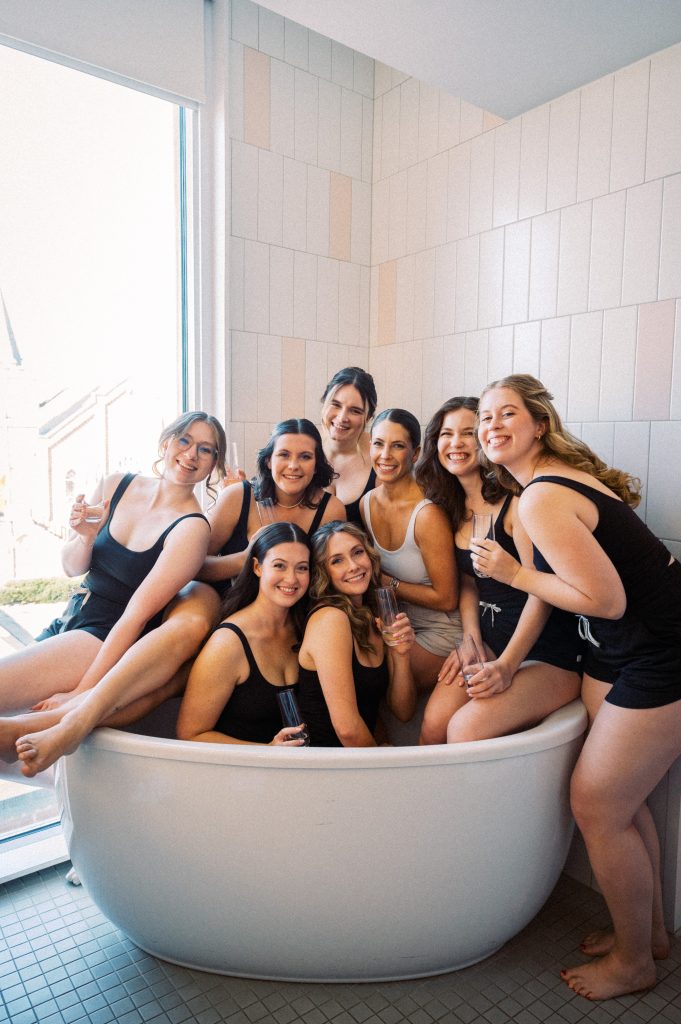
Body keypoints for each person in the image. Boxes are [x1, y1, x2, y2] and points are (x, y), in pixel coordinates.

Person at [471, 373, 681, 1001]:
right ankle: (649, 935)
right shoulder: (536, 489)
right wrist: (510, 653)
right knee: (624, 802)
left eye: (507, 413)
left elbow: (606, 600)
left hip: (662, 650)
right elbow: (563, 585)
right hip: (619, 648)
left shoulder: (542, 496)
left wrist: (511, 573)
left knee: (596, 805)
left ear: (540, 424)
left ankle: (634, 963)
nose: (491, 426)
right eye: (484, 418)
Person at [0, 412, 227, 776]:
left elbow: (137, 615)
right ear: (166, 442)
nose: (191, 454)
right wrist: (85, 537)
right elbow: (71, 567)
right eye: (185, 440)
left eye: (205, 449)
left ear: (214, 463)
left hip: (104, 635)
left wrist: (82, 693)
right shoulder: (115, 485)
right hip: (70, 617)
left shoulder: (191, 529)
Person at [415, 397, 581, 745]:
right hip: (491, 643)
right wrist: (471, 639)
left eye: (467, 433)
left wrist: (506, 665)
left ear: (485, 439)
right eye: (446, 434)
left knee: (464, 731)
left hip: (545, 653)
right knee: (433, 726)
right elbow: (469, 582)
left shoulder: (516, 503)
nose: (456, 443)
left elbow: (541, 590)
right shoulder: (450, 507)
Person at [176, 523, 312, 746]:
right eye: (279, 565)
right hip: (240, 767)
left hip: (300, 764)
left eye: (302, 568)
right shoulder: (228, 642)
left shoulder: (307, 628)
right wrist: (268, 750)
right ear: (257, 567)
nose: (291, 579)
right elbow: (190, 734)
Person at [360, 408, 460, 689]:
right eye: (378, 444)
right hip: (397, 623)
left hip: (440, 627)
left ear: (415, 454)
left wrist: (386, 583)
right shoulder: (366, 503)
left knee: (377, 678)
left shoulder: (427, 515)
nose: (385, 455)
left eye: (397, 446)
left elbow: (447, 599)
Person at [297, 521, 416, 745]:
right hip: (326, 759)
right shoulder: (329, 620)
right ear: (323, 571)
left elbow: (404, 712)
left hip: (359, 755)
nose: (353, 566)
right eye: (337, 561)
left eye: (358, 552)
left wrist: (401, 655)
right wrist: (382, 760)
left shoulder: (373, 615)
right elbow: (347, 730)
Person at [199, 418, 345, 593]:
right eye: (284, 455)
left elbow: (334, 575)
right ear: (268, 461)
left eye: (305, 457)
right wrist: (245, 558)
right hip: (232, 602)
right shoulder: (237, 496)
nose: (293, 466)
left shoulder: (331, 509)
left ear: (316, 465)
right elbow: (196, 566)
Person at [320, 366, 377, 525]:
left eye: (355, 411)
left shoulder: (379, 454)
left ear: (368, 417)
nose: (342, 417)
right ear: (324, 402)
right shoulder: (303, 444)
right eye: (336, 404)